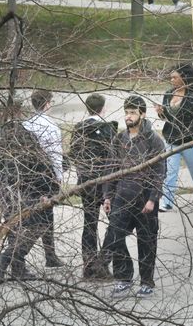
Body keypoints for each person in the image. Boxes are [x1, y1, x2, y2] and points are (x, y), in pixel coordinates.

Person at [100, 95, 166, 298]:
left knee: (146, 242)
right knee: (115, 237)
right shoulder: (119, 139)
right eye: (126, 112)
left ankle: (147, 283)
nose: (128, 117)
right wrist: (107, 196)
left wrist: (152, 199)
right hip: (121, 196)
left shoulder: (153, 140)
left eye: (133, 113)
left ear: (143, 114)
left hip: (144, 198)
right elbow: (111, 168)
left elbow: (159, 172)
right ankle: (124, 278)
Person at [0, 107, 60, 281]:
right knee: (40, 224)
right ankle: (9, 257)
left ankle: (17, 267)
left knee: (14, 227)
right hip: (26, 189)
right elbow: (40, 163)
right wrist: (50, 189)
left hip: (3, 190)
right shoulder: (24, 136)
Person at [69, 93, 118, 280]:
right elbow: (114, 156)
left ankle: (89, 265)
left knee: (89, 224)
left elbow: (73, 152)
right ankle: (103, 261)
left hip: (86, 182)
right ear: (103, 108)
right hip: (105, 184)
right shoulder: (108, 129)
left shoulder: (78, 129)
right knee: (116, 223)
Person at [156, 64, 193, 211]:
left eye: (175, 77)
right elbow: (168, 118)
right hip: (171, 139)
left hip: (189, 141)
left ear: (184, 78)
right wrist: (161, 112)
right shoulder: (168, 94)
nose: (171, 79)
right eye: (171, 77)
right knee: (170, 170)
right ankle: (167, 202)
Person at [22, 90, 65, 268]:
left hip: (27, 174)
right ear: (48, 103)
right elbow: (55, 154)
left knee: (39, 213)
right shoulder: (51, 127)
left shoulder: (26, 124)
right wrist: (59, 176)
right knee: (45, 216)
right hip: (46, 175)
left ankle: (51, 254)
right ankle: (23, 253)